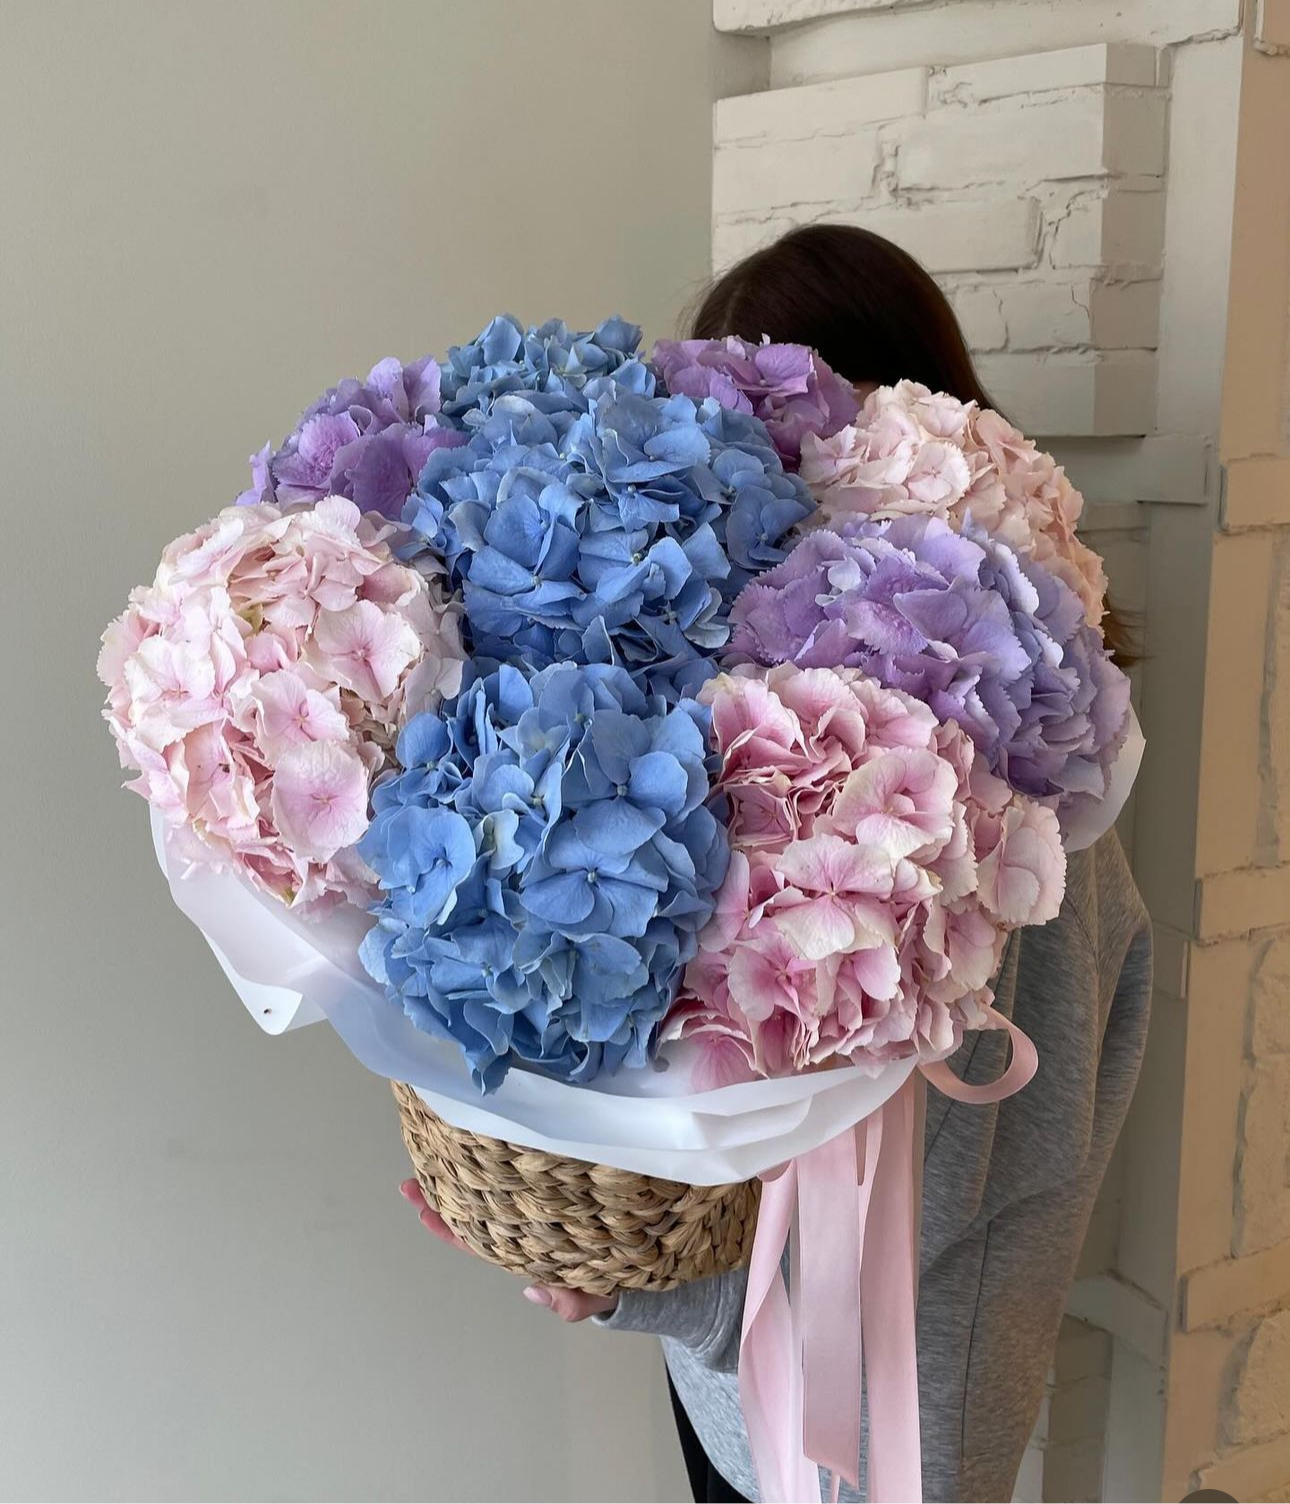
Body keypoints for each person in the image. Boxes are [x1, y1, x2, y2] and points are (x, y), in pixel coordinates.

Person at [400, 225, 1154, 1504]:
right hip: (797, 1383)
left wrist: (638, 1281)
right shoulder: (927, 740)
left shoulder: (969, 801)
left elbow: (942, 1185)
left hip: (877, 1419)